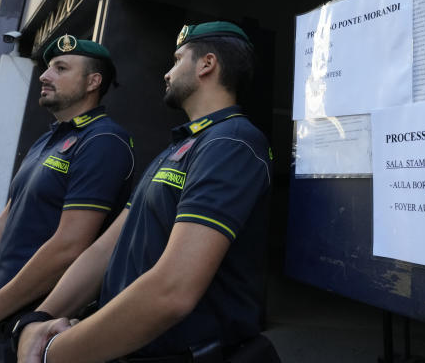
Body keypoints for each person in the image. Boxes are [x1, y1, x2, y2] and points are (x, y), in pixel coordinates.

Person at [15, 21, 278, 363]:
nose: (167, 73)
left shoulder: (232, 142)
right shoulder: (182, 145)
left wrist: (53, 353)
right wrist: (39, 318)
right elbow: (104, 250)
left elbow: (173, 290)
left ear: (206, 64)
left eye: (177, 59)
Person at [0, 35, 135, 362]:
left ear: (93, 82)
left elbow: (70, 246)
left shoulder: (104, 141)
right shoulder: (48, 140)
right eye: (48, 68)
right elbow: (5, 220)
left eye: (60, 68)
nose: (45, 76)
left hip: (38, 325)